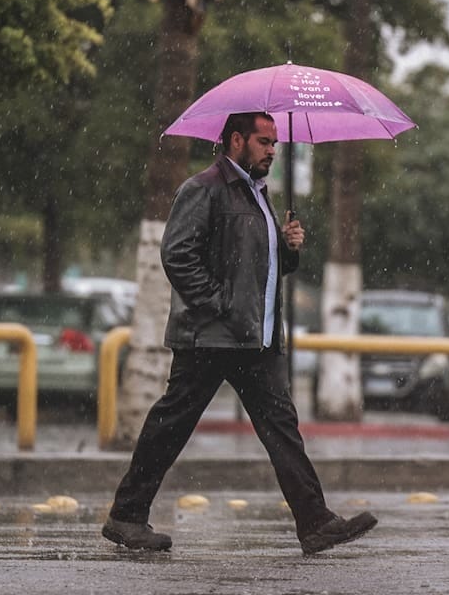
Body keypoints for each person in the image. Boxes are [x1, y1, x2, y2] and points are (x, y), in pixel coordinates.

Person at [102, 111, 377, 555]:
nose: (273, 150)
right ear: (235, 140)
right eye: (264, 141)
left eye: (274, 143)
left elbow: (259, 269)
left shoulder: (258, 195)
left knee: (282, 428)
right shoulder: (204, 189)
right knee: (172, 423)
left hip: (255, 339)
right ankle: (127, 516)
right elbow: (177, 255)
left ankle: (315, 522)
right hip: (212, 337)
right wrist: (219, 306)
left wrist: (287, 249)